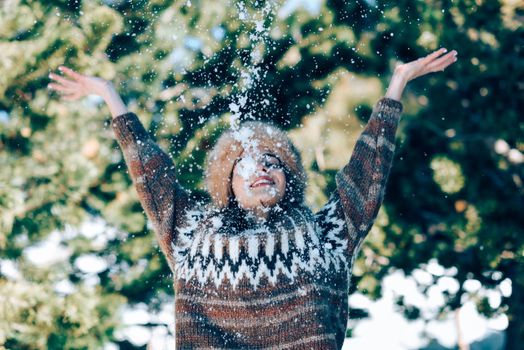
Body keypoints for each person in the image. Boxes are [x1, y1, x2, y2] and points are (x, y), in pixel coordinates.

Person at [48, 48, 458, 349]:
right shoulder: (193, 234)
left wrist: (396, 87)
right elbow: (150, 173)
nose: (260, 168)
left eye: (271, 162)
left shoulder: (325, 233)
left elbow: (366, 172)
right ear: (227, 184)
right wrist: (109, 96)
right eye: (244, 165)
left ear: (289, 177)